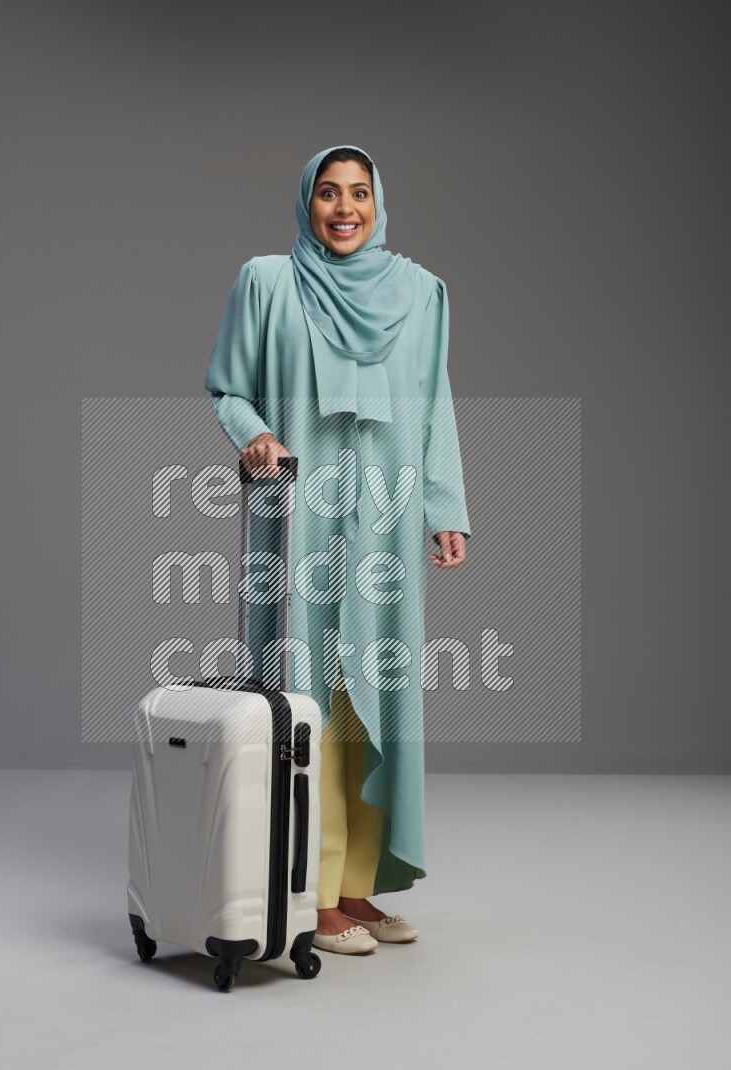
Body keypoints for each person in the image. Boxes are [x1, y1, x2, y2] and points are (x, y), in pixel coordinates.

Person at [205, 145, 470, 956]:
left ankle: (355, 887)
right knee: (307, 700)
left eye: (359, 193)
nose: (345, 207)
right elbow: (228, 388)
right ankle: (310, 894)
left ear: (378, 203)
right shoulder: (267, 282)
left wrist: (445, 508)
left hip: (387, 516)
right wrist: (254, 436)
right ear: (307, 203)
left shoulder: (422, 294)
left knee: (371, 700)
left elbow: (434, 404)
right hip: (301, 517)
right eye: (328, 192)